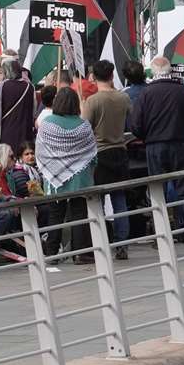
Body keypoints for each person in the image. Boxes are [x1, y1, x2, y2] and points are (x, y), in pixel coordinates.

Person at [127, 56, 184, 233]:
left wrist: (146, 136)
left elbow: (135, 125)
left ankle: (161, 232)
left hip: (155, 145)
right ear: (170, 70)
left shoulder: (146, 93)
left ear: (153, 72)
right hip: (181, 144)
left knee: (158, 190)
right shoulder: (183, 91)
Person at [79, 58, 134, 259]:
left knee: (99, 201)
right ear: (112, 76)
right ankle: (122, 244)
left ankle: (100, 241)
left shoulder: (92, 101)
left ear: (93, 77)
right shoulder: (123, 98)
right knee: (120, 200)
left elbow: (85, 129)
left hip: (99, 153)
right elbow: (132, 123)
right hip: (120, 150)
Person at [35, 88, 97, 267]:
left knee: (55, 215)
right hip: (80, 177)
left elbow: (40, 151)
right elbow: (92, 152)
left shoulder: (47, 124)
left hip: (54, 177)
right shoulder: (83, 125)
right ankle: (80, 253)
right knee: (79, 213)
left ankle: (52, 253)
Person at [0, 60, 37, 151]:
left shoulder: (1, 86)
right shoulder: (30, 86)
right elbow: (33, 111)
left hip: (7, 131)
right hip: (26, 131)